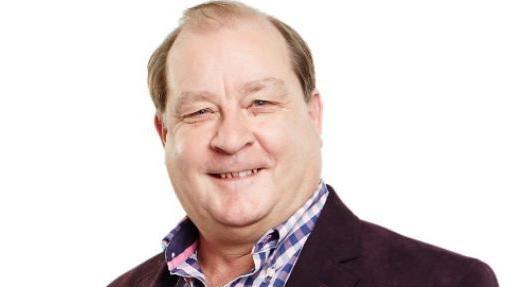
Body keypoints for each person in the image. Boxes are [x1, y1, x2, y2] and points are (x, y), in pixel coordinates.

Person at [108, 1, 499, 286]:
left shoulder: (444, 281)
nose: (230, 138)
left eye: (259, 103)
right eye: (200, 112)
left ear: (313, 116)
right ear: (164, 134)